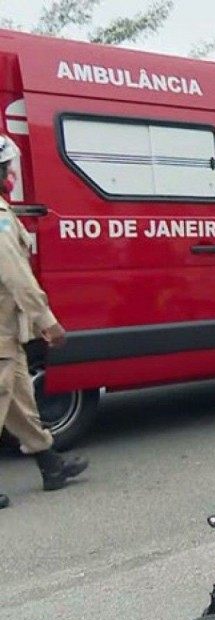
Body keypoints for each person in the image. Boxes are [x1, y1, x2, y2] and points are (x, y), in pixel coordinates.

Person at [0, 135, 88, 509]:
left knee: (21, 402)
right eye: (8, 169)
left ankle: (51, 467)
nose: (13, 175)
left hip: (7, 335)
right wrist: (46, 322)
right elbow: (16, 276)